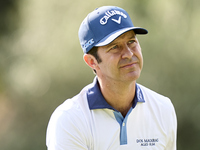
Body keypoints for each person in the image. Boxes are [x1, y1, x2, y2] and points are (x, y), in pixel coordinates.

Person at [46, 6, 177, 150]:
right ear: (92, 61)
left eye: (131, 42)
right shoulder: (69, 119)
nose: (128, 54)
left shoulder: (163, 108)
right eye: (114, 47)